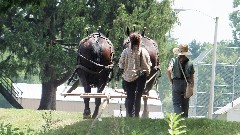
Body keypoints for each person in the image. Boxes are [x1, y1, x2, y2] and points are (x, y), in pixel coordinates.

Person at [118, 33, 152, 117]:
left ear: (130, 41)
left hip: (127, 77)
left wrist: (125, 71)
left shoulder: (125, 51)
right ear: (139, 41)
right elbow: (148, 65)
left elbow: (121, 64)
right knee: (138, 97)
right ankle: (136, 115)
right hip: (140, 77)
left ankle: (129, 115)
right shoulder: (144, 51)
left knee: (130, 97)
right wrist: (147, 72)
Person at [167, 44, 195, 118]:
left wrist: (171, 80)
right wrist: (192, 86)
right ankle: (185, 119)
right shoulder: (190, 63)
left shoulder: (173, 60)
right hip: (186, 84)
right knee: (185, 103)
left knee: (176, 103)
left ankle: (178, 118)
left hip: (176, 83)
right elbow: (192, 76)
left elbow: (169, 70)